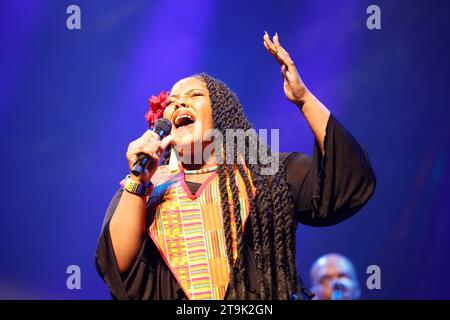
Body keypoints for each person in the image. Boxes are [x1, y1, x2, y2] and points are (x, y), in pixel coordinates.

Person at [95, 32, 376, 300]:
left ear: (221, 113)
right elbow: (117, 266)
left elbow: (345, 184)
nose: (179, 103)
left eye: (194, 96)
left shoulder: (265, 173)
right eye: (171, 102)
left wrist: (304, 99)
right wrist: (138, 180)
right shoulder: (146, 187)